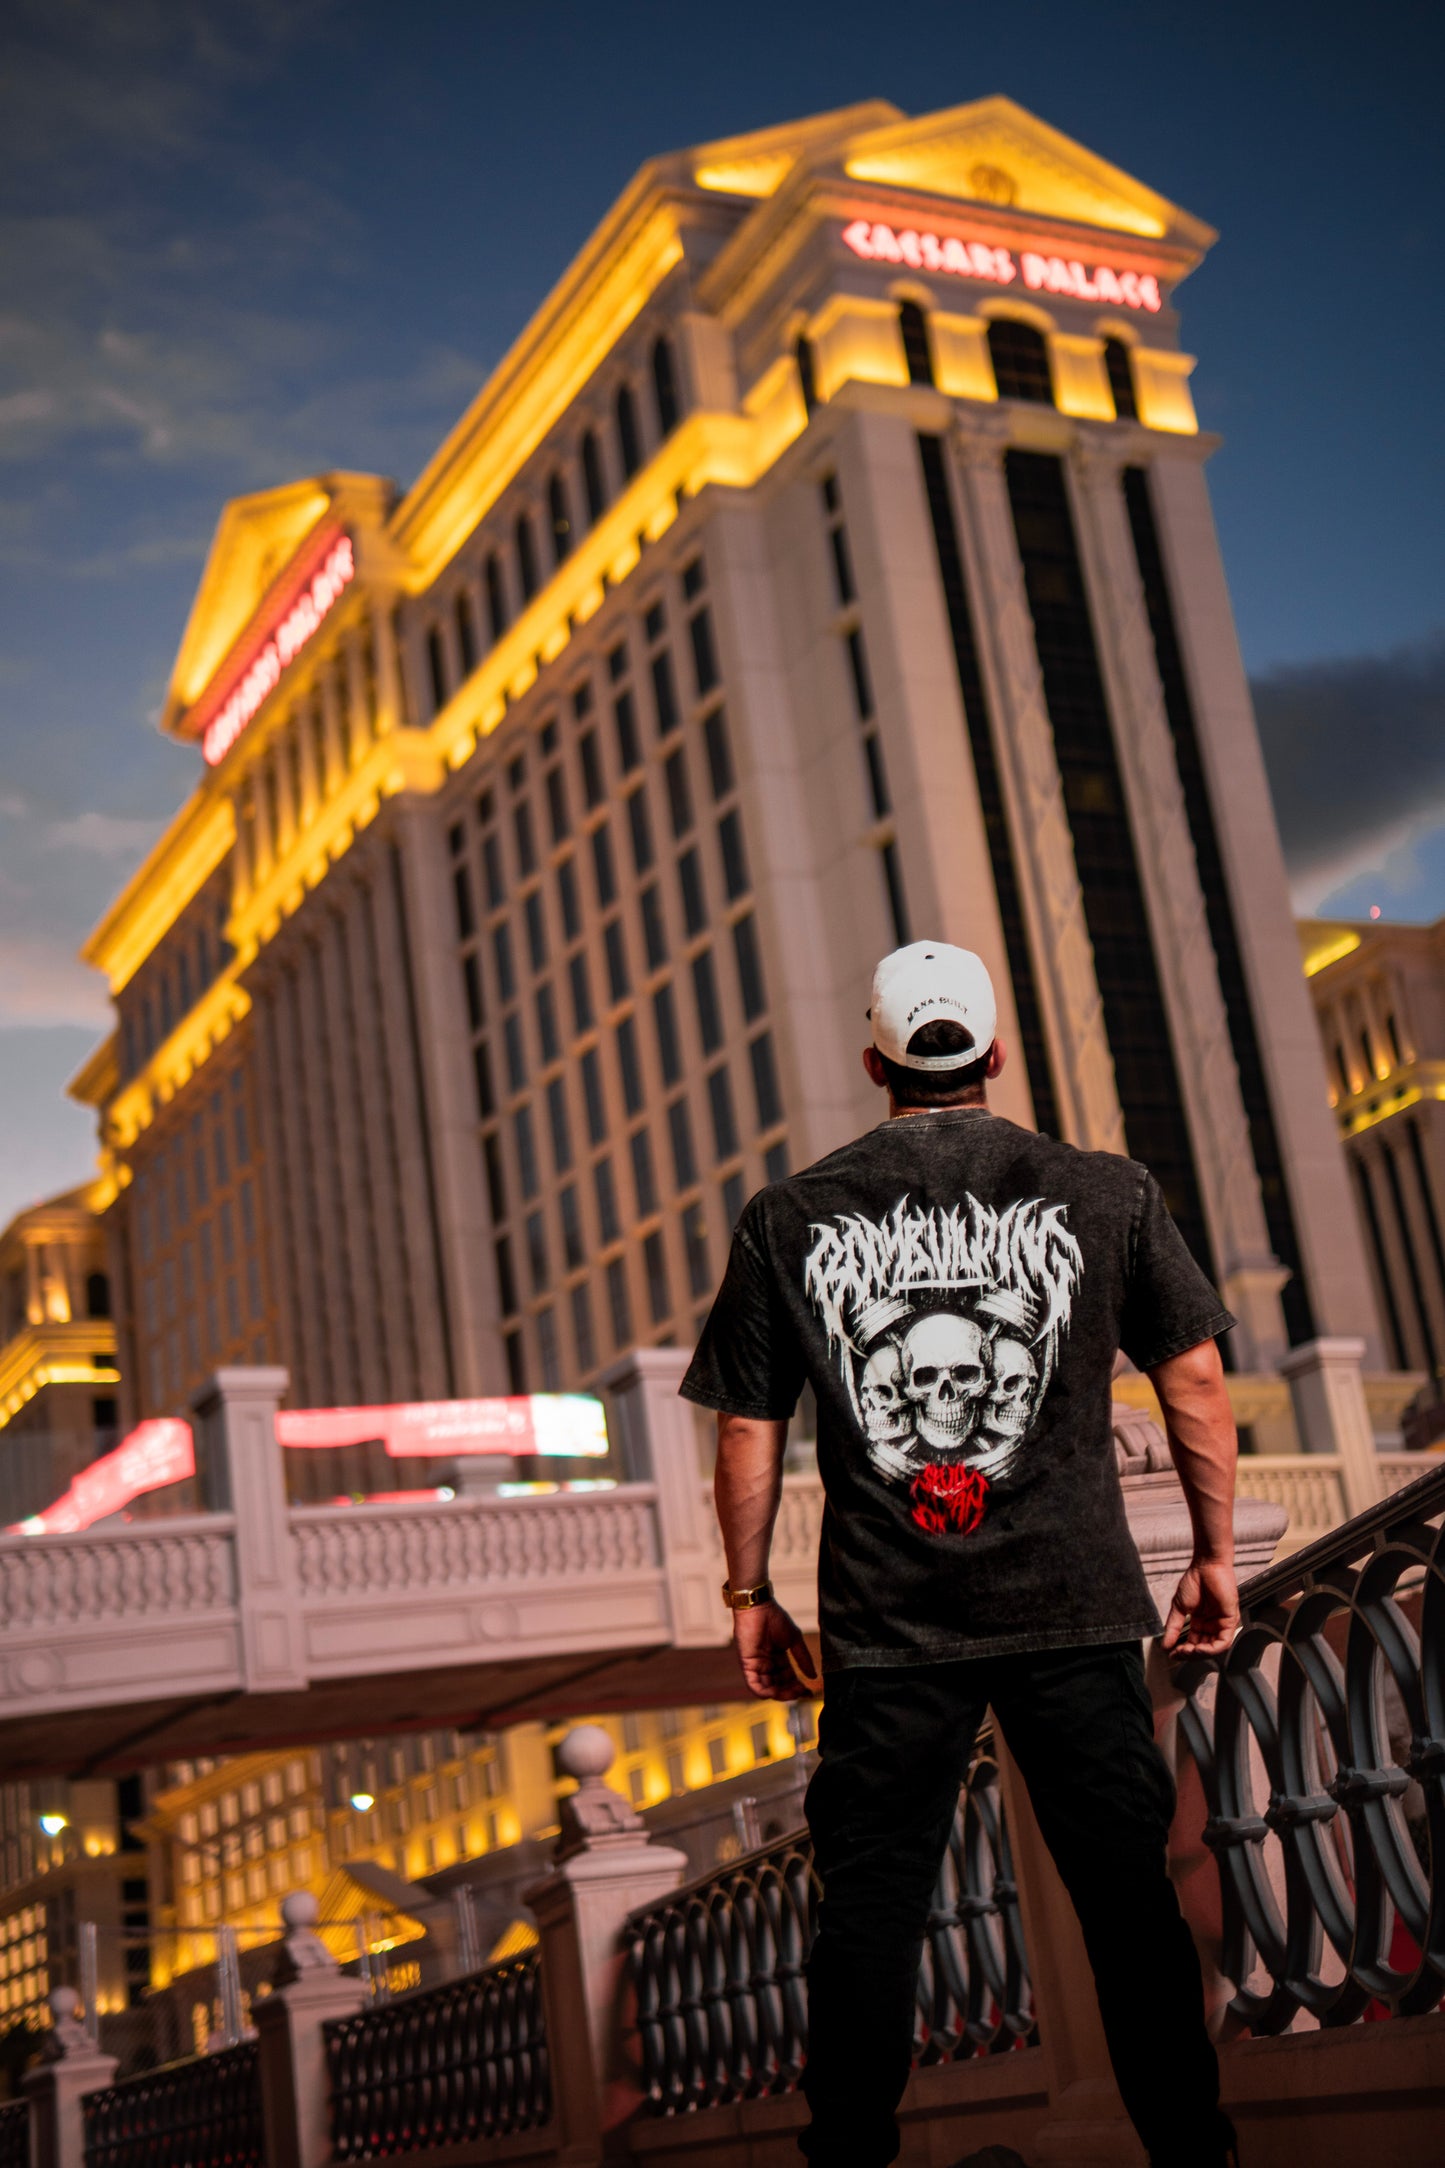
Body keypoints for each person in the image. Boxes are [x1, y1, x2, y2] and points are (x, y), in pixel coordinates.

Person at [681, 940, 1242, 2168]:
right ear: (992, 1054)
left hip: (888, 1629)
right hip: (1078, 1604)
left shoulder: (790, 1214)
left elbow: (745, 1422)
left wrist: (747, 1593)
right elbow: (1191, 1372)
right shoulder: (1105, 1189)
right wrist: (1212, 1554)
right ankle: (1193, 2154)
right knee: (1128, 1903)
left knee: (870, 1913)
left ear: (876, 1063)